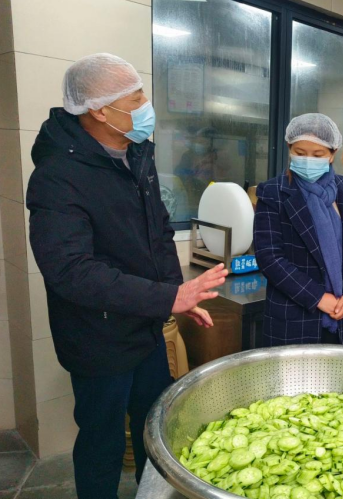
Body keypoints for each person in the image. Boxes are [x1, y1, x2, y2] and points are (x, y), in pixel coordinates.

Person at [25, 53, 228, 499]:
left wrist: (177, 295)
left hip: (145, 328)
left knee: (155, 429)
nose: (145, 106)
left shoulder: (135, 154)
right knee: (102, 442)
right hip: (97, 337)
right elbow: (70, 270)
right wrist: (166, 298)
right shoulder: (58, 176)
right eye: (136, 98)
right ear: (101, 110)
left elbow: (157, 231)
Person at [254, 113, 343, 346]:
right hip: (293, 319)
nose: (308, 160)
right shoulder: (273, 192)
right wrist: (317, 297)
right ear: (289, 149)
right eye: (300, 153)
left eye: (317, 155)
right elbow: (270, 257)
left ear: (332, 154)